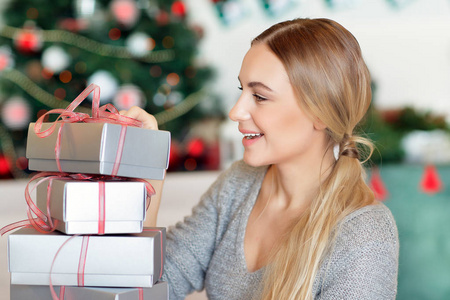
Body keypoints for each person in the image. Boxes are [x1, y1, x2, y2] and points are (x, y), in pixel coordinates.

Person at [121, 18, 399, 300]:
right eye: (243, 91)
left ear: (319, 113)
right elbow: (155, 283)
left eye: (261, 97)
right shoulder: (239, 183)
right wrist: (148, 167)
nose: (236, 112)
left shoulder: (364, 235)